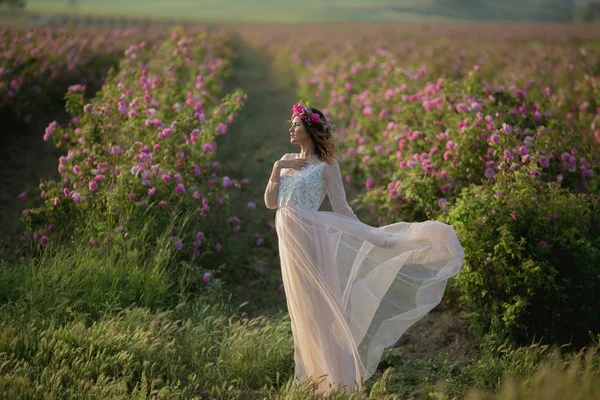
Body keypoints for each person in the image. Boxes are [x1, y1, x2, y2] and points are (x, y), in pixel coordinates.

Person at [263, 101, 465, 396]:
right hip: (290, 243)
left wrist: (371, 235)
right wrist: (277, 167)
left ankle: (337, 379)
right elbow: (271, 203)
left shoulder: (326, 165)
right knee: (301, 311)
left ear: (312, 127)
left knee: (320, 309)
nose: (291, 128)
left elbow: (342, 209)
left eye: (296, 123)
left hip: (310, 241)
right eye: (291, 124)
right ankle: (312, 376)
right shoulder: (285, 160)